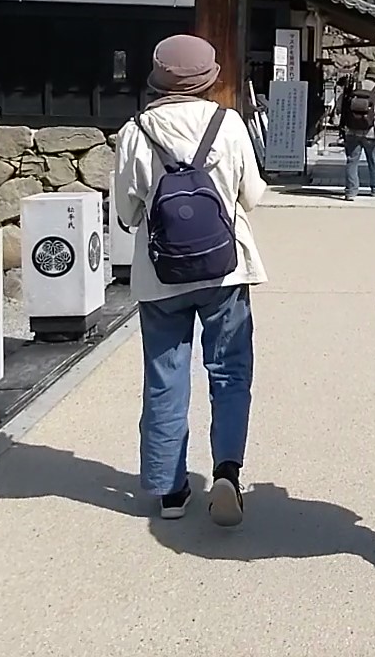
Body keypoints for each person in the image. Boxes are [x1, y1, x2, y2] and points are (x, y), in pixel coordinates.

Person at [113, 35, 268, 526]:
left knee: (165, 377)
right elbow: (253, 195)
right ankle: (226, 472)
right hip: (224, 269)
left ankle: (170, 489)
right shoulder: (228, 124)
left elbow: (126, 212)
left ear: (158, 78)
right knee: (229, 373)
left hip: (161, 275)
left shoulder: (135, 131)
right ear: (209, 78)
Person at [337, 67, 375, 199]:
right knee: (373, 161)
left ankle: (350, 191)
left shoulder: (354, 86)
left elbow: (340, 106)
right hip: (370, 133)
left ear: (366, 75)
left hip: (351, 131)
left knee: (351, 161)